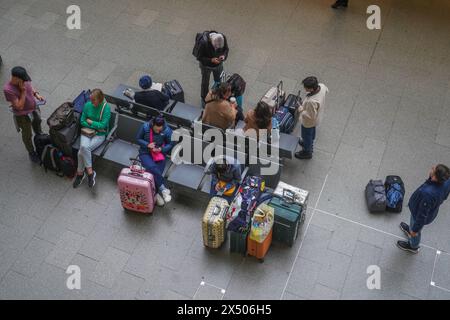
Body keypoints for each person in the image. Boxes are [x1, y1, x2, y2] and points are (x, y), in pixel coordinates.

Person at [397, 165, 450, 254]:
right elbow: (445, 195)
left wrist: (415, 230)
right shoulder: (447, 180)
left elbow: (421, 216)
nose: (432, 167)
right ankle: (410, 229)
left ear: (435, 178)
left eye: (433, 169)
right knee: (413, 224)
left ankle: (413, 246)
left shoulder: (427, 194)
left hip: (418, 213)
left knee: (415, 228)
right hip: (431, 209)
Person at [3, 66, 45, 163]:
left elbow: (31, 86)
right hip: (23, 116)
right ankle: (31, 152)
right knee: (27, 134)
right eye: (23, 80)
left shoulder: (24, 80)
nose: (26, 82)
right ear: (16, 78)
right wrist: (23, 91)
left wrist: (36, 94)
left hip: (34, 109)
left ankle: (39, 136)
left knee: (37, 122)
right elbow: (19, 106)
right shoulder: (8, 90)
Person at [73, 89, 111, 189]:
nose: (92, 102)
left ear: (100, 99)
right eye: (91, 100)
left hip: (99, 134)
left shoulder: (106, 108)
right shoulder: (88, 105)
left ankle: (80, 174)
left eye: (94, 100)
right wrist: (95, 125)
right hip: (87, 132)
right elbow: (82, 121)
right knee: (84, 148)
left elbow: (103, 125)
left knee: (82, 150)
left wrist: (90, 123)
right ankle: (90, 173)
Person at [136, 115, 175, 206]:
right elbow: (138, 139)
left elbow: (171, 143)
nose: (158, 131)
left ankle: (156, 194)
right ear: (152, 124)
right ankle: (163, 190)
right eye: (156, 129)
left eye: (160, 130)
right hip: (145, 153)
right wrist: (147, 144)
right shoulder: (145, 127)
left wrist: (161, 149)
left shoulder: (167, 131)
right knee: (152, 168)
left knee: (156, 173)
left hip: (159, 154)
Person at [295, 76, 329, 160]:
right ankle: (309, 143)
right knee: (311, 132)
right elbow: (327, 90)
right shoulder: (322, 86)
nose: (304, 89)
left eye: (306, 88)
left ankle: (307, 152)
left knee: (306, 135)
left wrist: (300, 108)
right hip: (317, 118)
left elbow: (310, 116)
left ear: (312, 89)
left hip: (308, 122)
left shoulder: (311, 102)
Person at [196, 31, 229, 105]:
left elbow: (226, 49)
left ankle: (218, 94)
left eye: (219, 48)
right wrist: (211, 60)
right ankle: (204, 98)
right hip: (206, 66)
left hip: (218, 65)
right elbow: (199, 57)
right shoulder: (203, 43)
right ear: (211, 41)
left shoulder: (222, 37)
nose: (217, 49)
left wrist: (223, 56)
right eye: (216, 47)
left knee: (219, 80)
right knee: (205, 82)